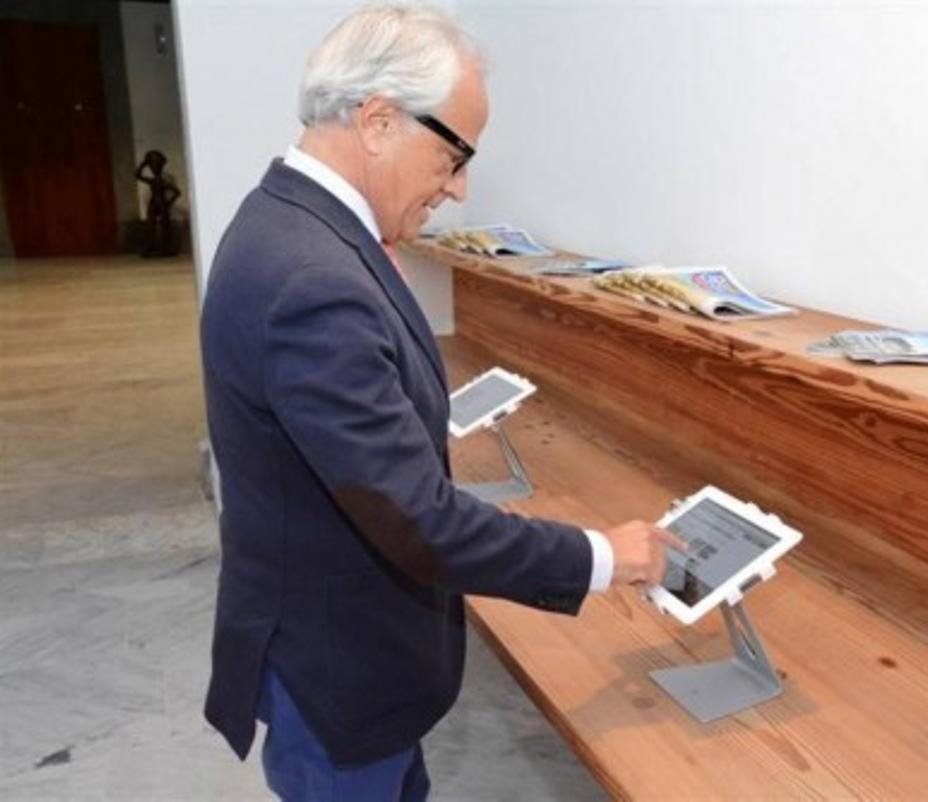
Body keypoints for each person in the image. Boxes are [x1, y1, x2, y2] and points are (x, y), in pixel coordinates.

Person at [199, 4, 683, 800]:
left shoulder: (294, 225)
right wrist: (605, 556)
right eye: (454, 156)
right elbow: (417, 521)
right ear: (378, 122)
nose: (458, 188)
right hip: (338, 674)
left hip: (343, 651)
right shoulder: (311, 277)